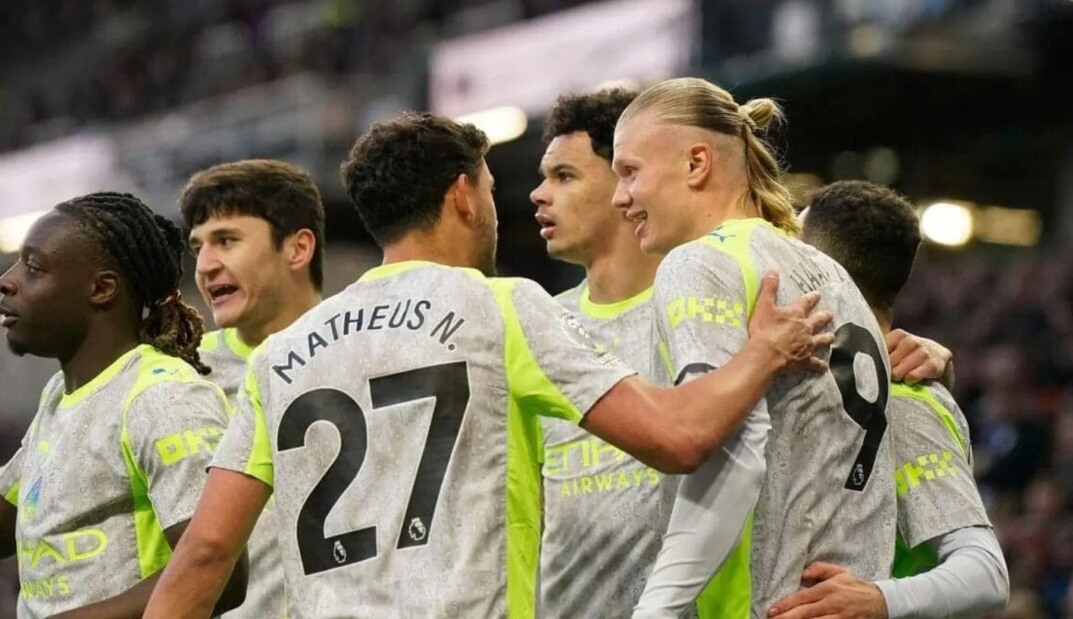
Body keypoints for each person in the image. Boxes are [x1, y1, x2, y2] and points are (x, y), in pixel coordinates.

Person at [145, 111, 833, 618]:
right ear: (462, 196)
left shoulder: (281, 356)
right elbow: (678, 438)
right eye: (490, 188)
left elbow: (206, 552)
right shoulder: (499, 308)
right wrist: (762, 353)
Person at [612, 78, 896, 617]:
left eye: (630, 171)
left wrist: (657, 610)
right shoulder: (833, 274)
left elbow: (729, 454)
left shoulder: (701, 263)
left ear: (696, 163)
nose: (619, 197)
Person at [767, 181, 1009, 618]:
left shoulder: (901, 403)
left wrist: (880, 600)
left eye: (792, 250)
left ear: (819, 271)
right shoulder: (823, 385)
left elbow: (985, 572)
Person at [0, 193, 244, 618]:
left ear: (101, 289)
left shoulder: (161, 396)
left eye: (34, 267)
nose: (8, 280)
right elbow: (14, 518)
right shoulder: (61, 394)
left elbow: (218, 573)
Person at [530, 87, 675, 617]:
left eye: (564, 176)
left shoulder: (701, 310)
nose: (538, 194)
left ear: (625, 179)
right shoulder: (538, 326)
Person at [180, 159, 326, 619]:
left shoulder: (365, 349)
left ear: (298, 248)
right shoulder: (180, 377)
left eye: (226, 240)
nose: (205, 266)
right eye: (198, 247)